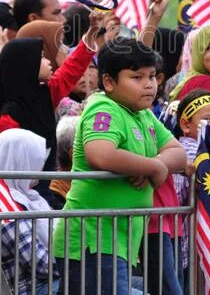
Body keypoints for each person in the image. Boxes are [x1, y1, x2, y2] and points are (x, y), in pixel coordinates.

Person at [52, 38, 186, 295]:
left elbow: (178, 154)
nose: (148, 84)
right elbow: (100, 154)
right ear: (109, 82)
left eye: (151, 76)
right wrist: (153, 168)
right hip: (92, 238)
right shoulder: (104, 107)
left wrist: (153, 164)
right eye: (136, 77)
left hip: (119, 239)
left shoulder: (143, 113)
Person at [0, 19, 99, 199]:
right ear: (26, 65)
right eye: (40, 57)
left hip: (44, 189)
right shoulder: (9, 117)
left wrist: (92, 33)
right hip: (16, 196)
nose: (48, 61)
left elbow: (71, 69)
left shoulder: (46, 94)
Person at [0, 129, 59, 294]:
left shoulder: (30, 198)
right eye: (36, 162)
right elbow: (42, 265)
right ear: (21, 162)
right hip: (35, 287)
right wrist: (81, 263)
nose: (40, 170)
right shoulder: (4, 207)